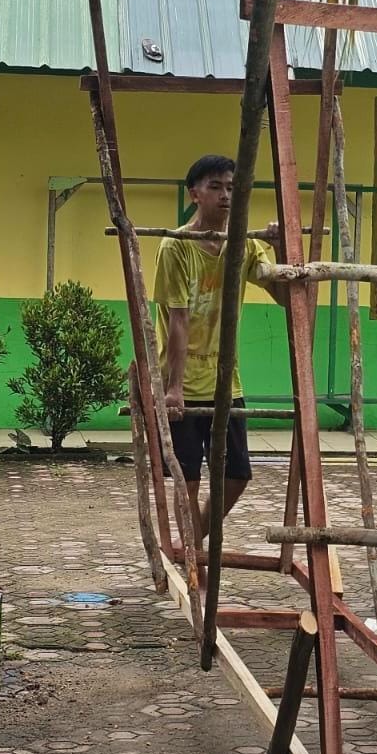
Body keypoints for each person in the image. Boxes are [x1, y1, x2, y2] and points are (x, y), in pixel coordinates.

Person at [153, 154, 286, 538]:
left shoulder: (243, 243)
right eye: (216, 187)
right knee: (187, 480)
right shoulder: (176, 247)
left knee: (236, 475)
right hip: (185, 382)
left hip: (226, 381)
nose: (226, 195)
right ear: (194, 193)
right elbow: (178, 321)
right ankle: (196, 563)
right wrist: (173, 388)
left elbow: (281, 295)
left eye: (232, 187)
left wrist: (279, 250)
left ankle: (196, 541)